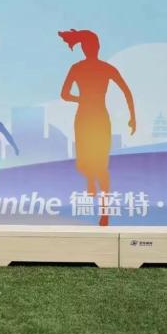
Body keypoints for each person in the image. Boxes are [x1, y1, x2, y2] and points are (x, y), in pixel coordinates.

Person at [58, 29, 136, 227]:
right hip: (93, 117)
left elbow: (65, 94)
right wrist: (132, 117)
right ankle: (93, 184)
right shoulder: (97, 68)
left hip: (91, 117)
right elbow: (126, 91)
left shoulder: (85, 68)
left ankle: (104, 211)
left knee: (99, 165)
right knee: (90, 164)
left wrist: (81, 99)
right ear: (96, 48)